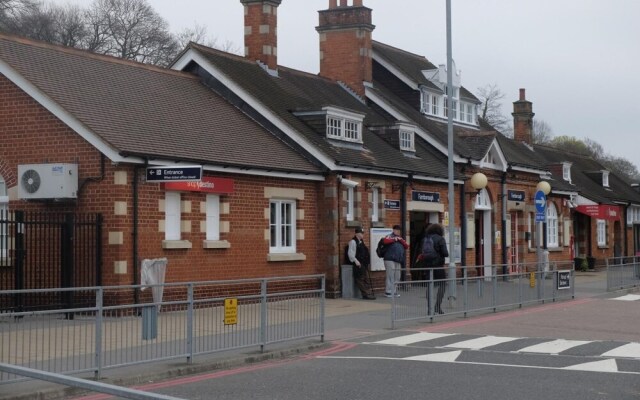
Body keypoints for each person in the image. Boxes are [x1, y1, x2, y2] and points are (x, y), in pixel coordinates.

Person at [417, 223, 449, 314]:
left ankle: (429, 309)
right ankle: (437, 306)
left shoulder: (424, 239)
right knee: (442, 285)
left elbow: (422, 252)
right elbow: (445, 253)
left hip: (427, 266)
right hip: (438, 266)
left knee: (429, 287)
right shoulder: (440, 239)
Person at [347, 227, 376, 300]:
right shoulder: (353, 242)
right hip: (358, 264)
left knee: (365, 278)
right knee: (360, 279)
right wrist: (356, 261)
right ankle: (365, 294)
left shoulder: (361, 241)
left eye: (362, 233)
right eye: (361, 233)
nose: (362, 234)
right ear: (356, 233)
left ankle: (368, 293)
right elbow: (350, 253)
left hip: (363, 263)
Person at [382, 225, 409, 298]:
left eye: (399, 230)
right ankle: (388, 291)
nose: (398, 231)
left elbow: (406, 246)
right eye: (396, 230)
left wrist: (400, 240)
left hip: (398, 260)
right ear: (393, 230)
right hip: (389, 259)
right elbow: (385, 241)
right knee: (390, 275)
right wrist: (394, 239)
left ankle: (394, 290)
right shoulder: (389, 236)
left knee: (397, 275)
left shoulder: (400, 238)